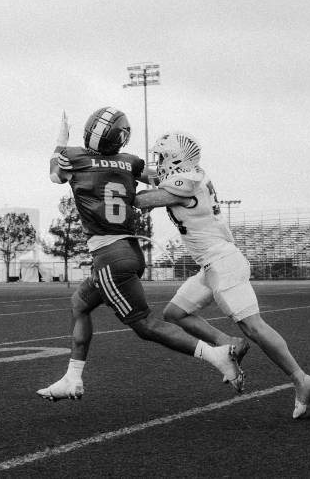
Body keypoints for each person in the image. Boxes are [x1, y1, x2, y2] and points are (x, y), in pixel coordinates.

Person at [36, 109, 244, 402]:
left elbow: (55, 174)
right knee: (79, 303)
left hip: (110, 256)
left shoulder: (76, 157)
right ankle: (72, 378)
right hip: (129, 251)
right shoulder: (129, 162)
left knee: (146, 325)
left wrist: (59, 141)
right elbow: (161, 177)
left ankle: (217, 356)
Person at [133, 130, 310, 419]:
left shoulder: (187, 181)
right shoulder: (189, 174)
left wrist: (108, 180)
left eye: (162, 156)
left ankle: (301, 378)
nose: (157, 162)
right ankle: (227, 343)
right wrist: (117, 165)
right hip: (211, 265)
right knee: (175, 313)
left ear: (176, 159)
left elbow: (144, 199)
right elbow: (147, 174)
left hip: (222, 261)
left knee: (254, 326)